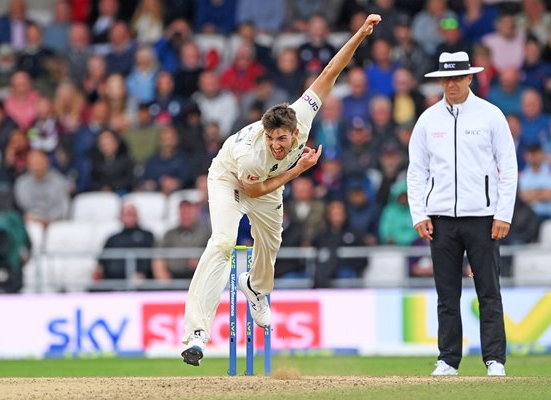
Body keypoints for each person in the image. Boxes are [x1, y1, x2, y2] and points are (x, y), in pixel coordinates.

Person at [181, 14, 382, 367]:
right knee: (225, 242)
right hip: (233, 179)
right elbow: (253, 191)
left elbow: (331, 71)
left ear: (294, 131)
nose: (277, 143)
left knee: (271, 244)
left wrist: (360, 34)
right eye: (271, 137)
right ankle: (196, 333)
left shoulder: (302, 115)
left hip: (269, 182)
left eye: (282, 138)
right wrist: (298, 170)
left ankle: (256, 289)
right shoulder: (252, 154)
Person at [407, 51, 518, 377]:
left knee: (488, 291)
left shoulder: (490, 115)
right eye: (447, 78)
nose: (452, 84)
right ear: (440, 81)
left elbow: (507, 167)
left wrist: (503, 214)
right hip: (440, 218)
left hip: (483, 217)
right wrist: (419, 214)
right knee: (446, 293)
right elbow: (417, 171)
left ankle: (494, 360)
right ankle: (448, 360)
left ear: (470, 78)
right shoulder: (428, 120)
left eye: (458, 77)